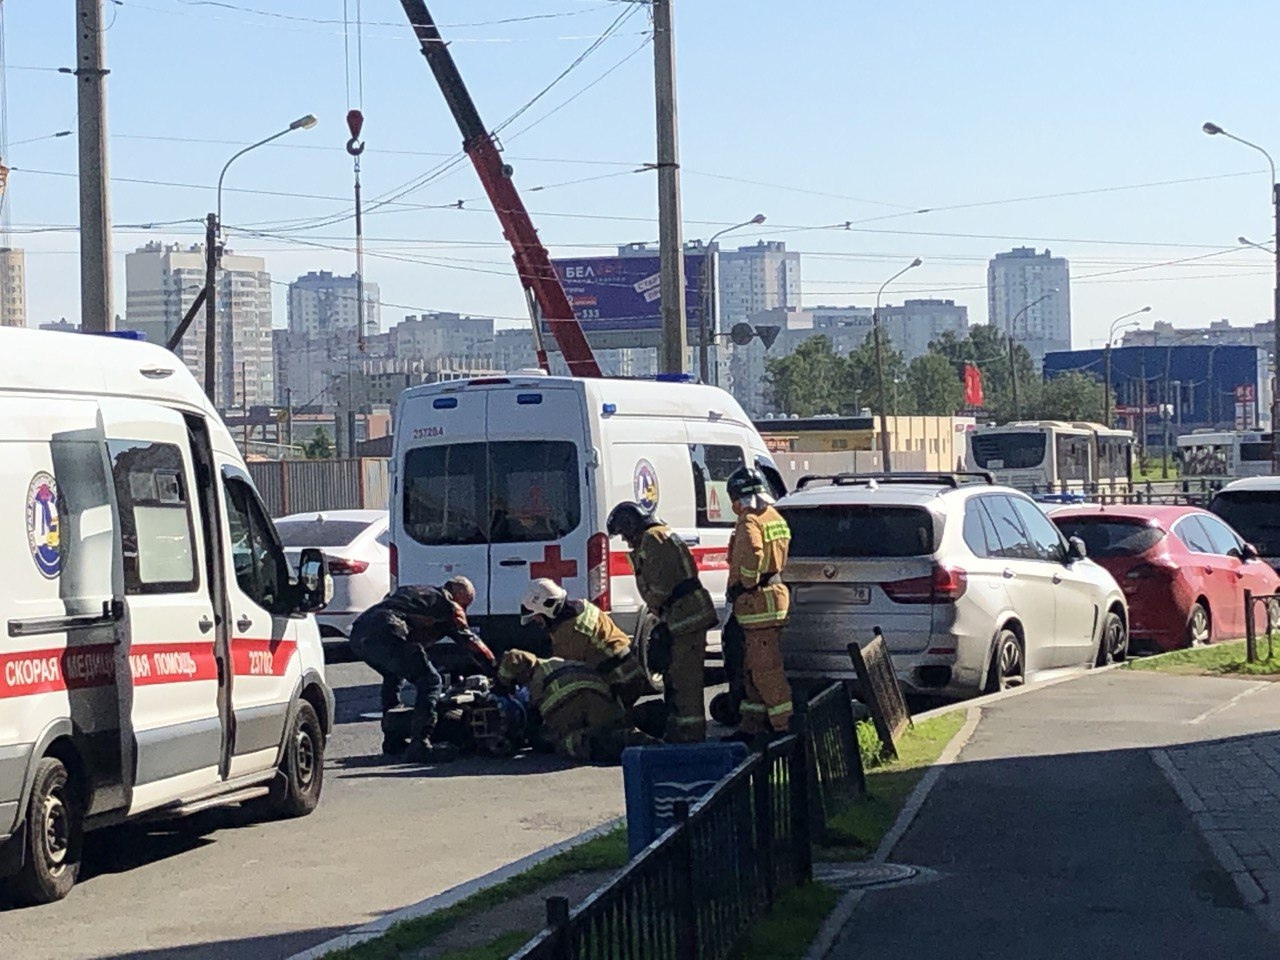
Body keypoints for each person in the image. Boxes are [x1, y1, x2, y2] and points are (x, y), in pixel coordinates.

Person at [348, 576, 496, 762]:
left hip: (359, 633)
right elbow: (469, 639)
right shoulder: (449, 604)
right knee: (431, 681)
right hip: (389, 631)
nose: (465, 610)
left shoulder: (416, 591)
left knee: (393, 675)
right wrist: (493, 667)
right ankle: (420, 743)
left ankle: (393, 741)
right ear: (458, 594)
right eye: (466, 604)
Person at [606, 501, 717, 743]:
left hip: (685, 616)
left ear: (632, 526)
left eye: (625, 534)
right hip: (681, 616)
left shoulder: (653, 540)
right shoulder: (658, 536)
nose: (625, 541)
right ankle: (681, 732)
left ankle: (690, 736)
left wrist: (656, 608)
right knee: (677, 678)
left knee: (684, 682)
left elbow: (660, 586)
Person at [723, 467, 794, 743]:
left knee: (766, 671)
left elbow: (753, 553)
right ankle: (751, 726)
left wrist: (746, 583)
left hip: (758, 604)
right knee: (752, 668)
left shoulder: (749, 521)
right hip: (773, 598)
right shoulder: (775, 517)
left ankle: (783, 729)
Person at [496, 649, 659, 764]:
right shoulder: (554, 663)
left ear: (522, 675)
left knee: (572, 743)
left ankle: (641, 745)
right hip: (603, 695)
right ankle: (655, 716)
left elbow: (540, 722)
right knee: (615, 721)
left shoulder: (535, 684)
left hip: (572, 707)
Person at [519, 578, 649, 708]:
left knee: (564, 700)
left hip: (621, 683)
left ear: (548, 608)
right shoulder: (582, 607)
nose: (535, 621)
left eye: (537, 616)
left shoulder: (569, 633)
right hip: (631, 671)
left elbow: (563, 671)